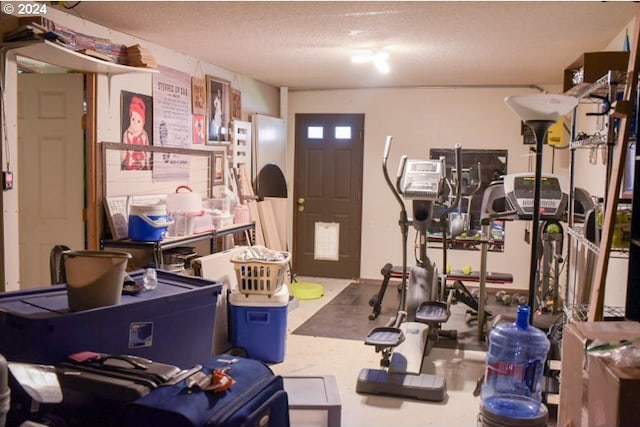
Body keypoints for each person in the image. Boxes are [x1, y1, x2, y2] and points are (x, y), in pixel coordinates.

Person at [122, 96, 151, 170]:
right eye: (133, 119)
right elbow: (124, 149)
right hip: (129, 166)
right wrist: (122, 157)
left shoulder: (144, 136)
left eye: (138, 121)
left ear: (143, 123)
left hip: (141, 166)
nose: (135, 123)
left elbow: (147, 151)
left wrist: (148, 164)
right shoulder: (127, 134)